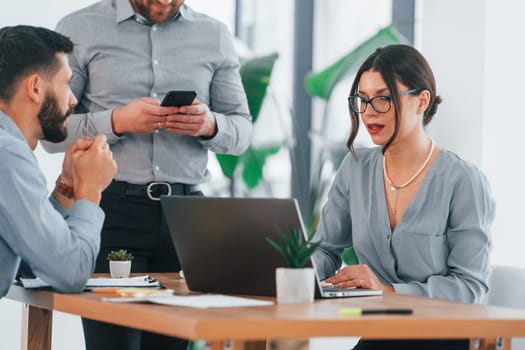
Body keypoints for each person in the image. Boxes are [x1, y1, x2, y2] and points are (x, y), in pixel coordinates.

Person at [41, 0, 252, 349]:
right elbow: (51, 131)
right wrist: (117, 121)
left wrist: (210, 125)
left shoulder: (214, 35)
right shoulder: (79, 28)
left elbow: (242, 132)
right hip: (110, 211)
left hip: (185, 220)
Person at [313, 44, 495, 350]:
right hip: (382, 336)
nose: (369, 111)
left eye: (383, 98)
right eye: (363, 99)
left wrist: (388, 290)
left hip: (444, 338)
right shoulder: (356, 168)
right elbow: (326, 250)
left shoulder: (463, 180)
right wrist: (295, 271)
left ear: (422, 100)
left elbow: (469, 286)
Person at [0, 25, 117, 297]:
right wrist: (90, 189)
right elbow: (70, 272)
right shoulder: (8, 154)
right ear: (35, 88)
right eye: (66, 83)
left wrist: (68, 185)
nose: (74, 99)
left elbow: (34, 262)